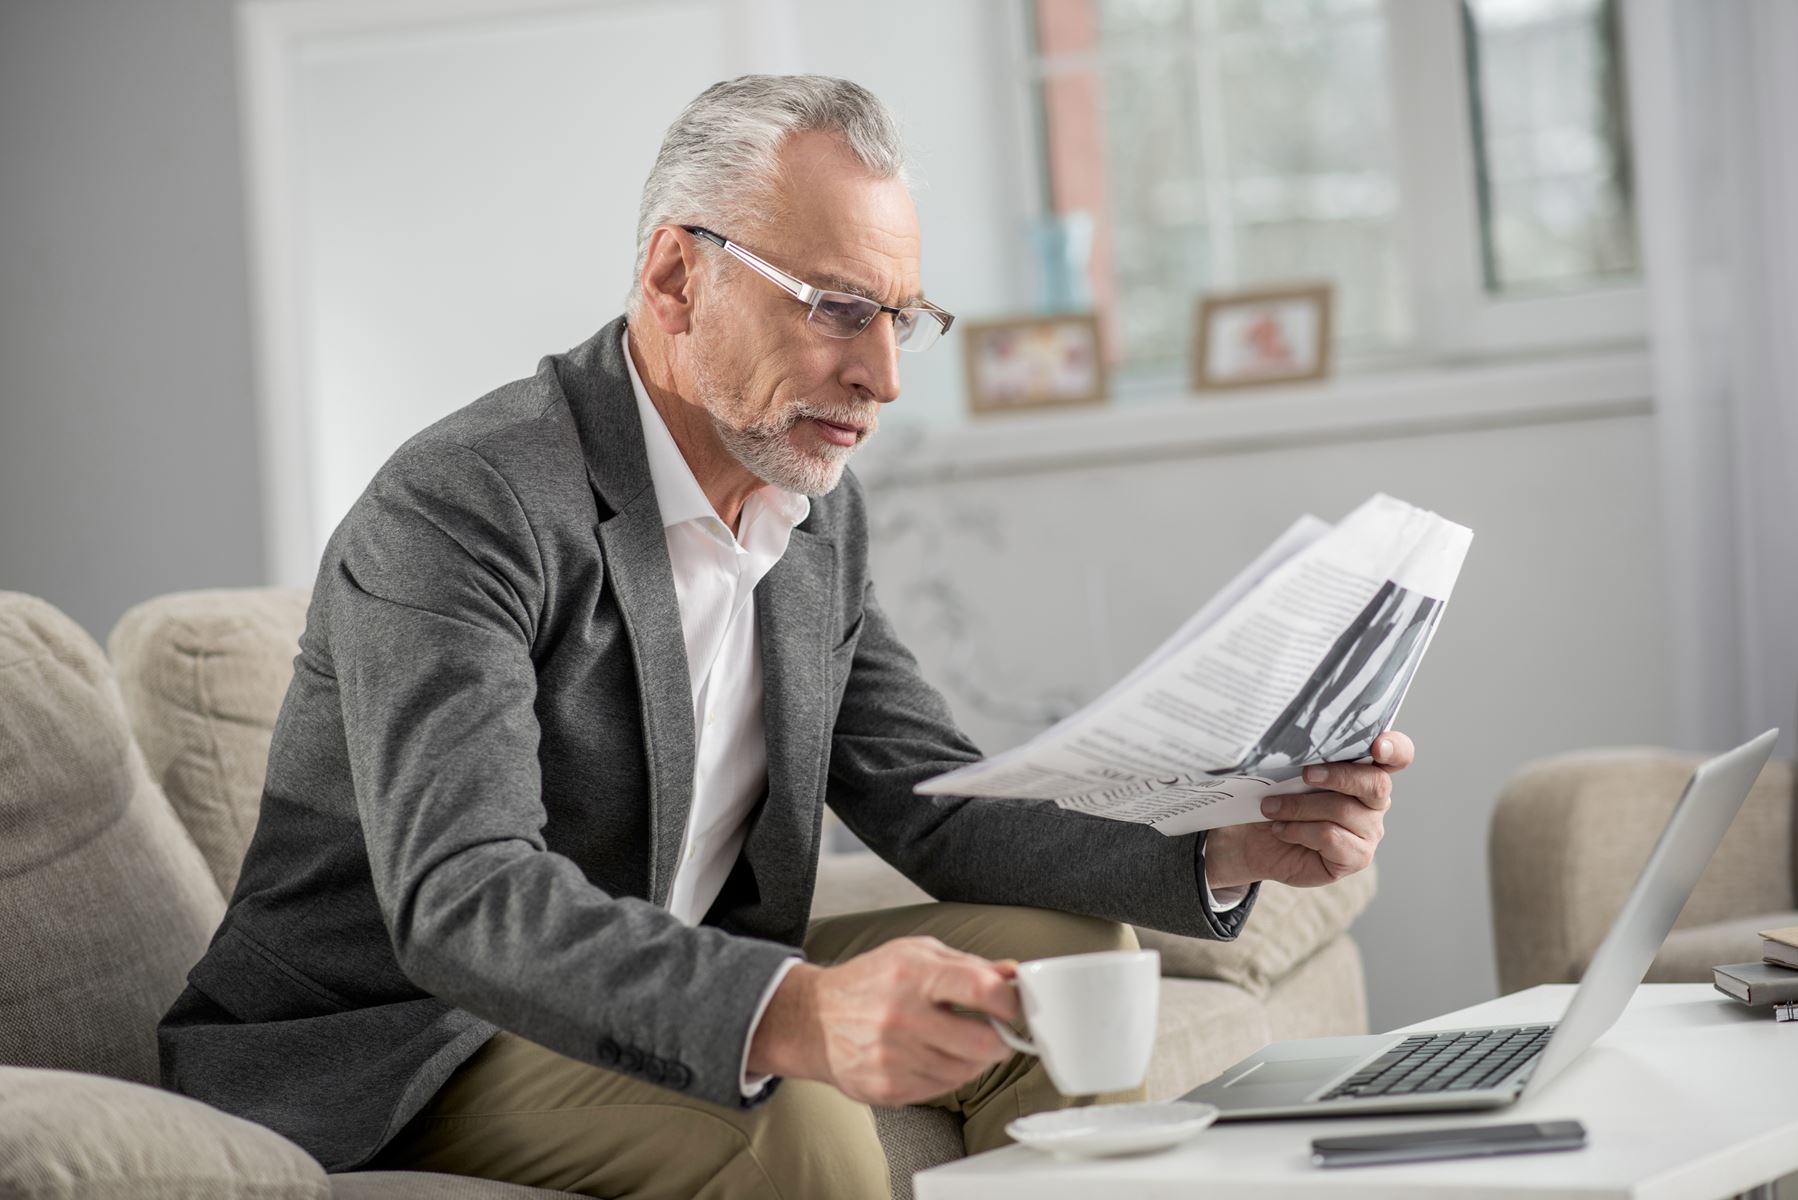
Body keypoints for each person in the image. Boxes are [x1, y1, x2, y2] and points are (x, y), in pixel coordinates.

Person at [160, 75, 1412, 1199]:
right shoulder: (466, 503)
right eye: (837, 309)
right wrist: (792, 1014)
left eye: (902, 319)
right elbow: (463, 895)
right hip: (410, 1033)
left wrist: (1225, 843)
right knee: (781, 1108)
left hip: (666, 965)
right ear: (675, 277)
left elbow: (930, 802)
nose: (884, 376)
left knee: (1062, 963)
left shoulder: (810, 509)